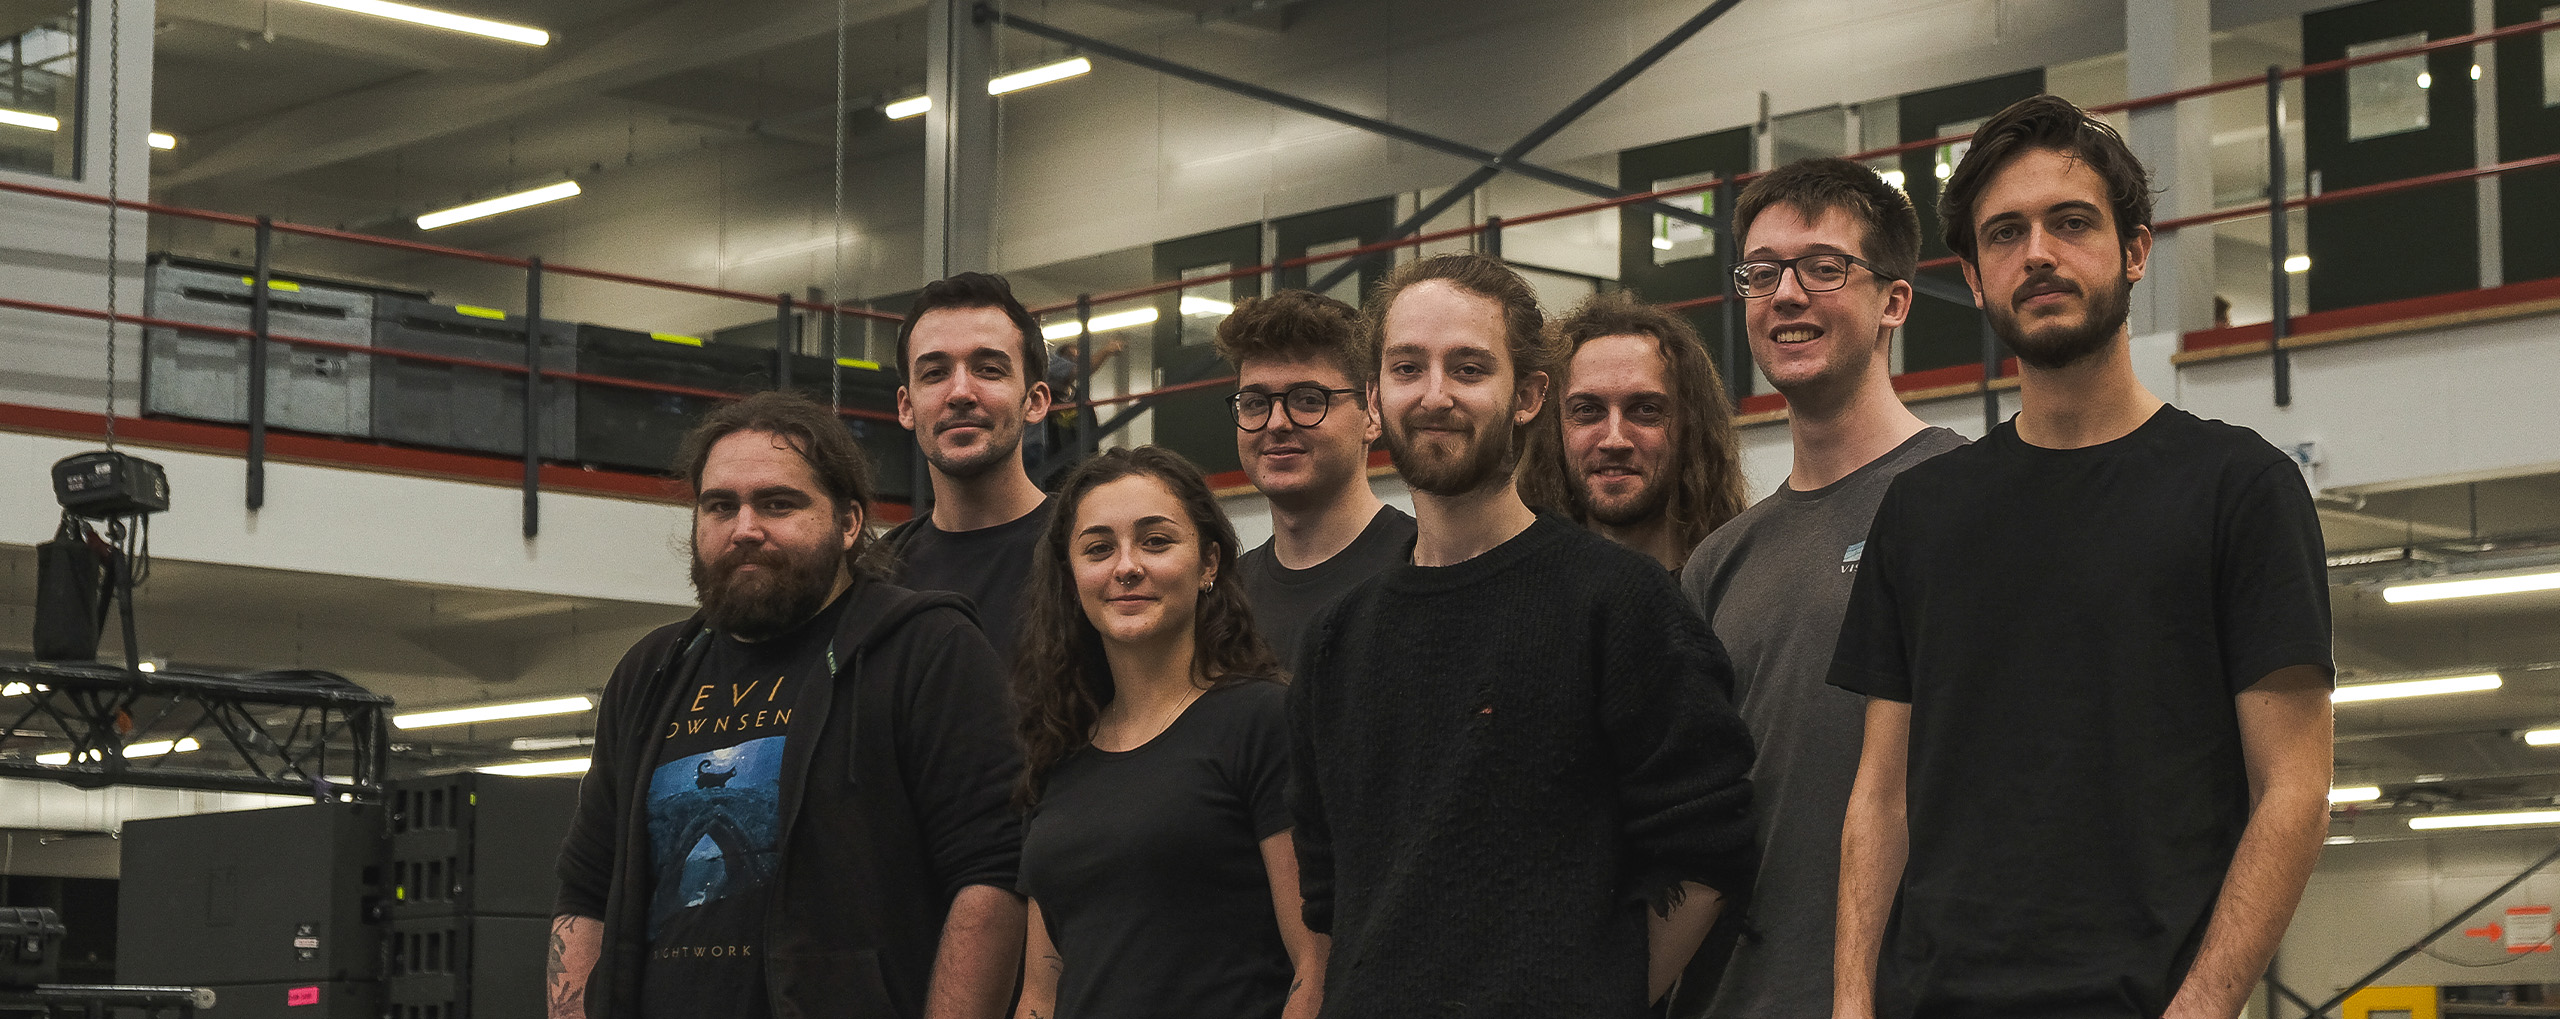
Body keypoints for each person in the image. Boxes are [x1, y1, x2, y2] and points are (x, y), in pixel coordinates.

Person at [1830, 95, 2335, 1019]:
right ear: (1975, 278)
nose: (2038, 255)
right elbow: (1882, 793)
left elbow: (2295, 790)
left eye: (2071, 223)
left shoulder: (2241, 488)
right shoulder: (1920, 512)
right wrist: (1852, 1004)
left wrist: (2201, 1007)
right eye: (2005, 234)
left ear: (2134, 250)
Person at [1285, 252, 1758, 1018]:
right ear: (1373, 397)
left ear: (1529, 393)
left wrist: (1591, 997)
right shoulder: (1334, 641)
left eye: (1469, 367)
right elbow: (1331, 894)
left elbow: (1710, 849)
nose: (1435, 394)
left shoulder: (1618, 602)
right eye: (1409, 367)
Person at [550, 390, 1025, 1019]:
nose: (745, 529)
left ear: (849, 522)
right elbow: (585, 889)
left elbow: (992, 874)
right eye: (721, 506)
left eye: (778, 503)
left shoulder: (927, 650)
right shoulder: (653, 671)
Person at [1670, 157, 1965, 1019]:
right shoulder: (1719, 564)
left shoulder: (1967, 498)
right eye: (1762, 273)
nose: (1786, 294)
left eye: (1824, 268)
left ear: (1895, 302)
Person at [1011, 445, 1326, 1019]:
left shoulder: (1261, 720)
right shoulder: (1059, 748)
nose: (1126, 566)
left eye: (1155, 541)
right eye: (1098, 548)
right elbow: (1041, 988)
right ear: (1071, 574)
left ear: (1208, 563)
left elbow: (1316, 965)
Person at [1213, 290, 1415, 671]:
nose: (1276, 423)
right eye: (1255, 403)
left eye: (1308, 400)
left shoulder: (1423, 569)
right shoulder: (1226, 597)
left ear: (1373, 414)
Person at [886, 272, 1058, 659]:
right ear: (906, 406)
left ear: (1035, 401)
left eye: (988, 370)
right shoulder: (877, 576)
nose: (961, 392)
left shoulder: (1086, 549)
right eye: (935, 374)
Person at [1519, 289, 1746, 571]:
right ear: (1554, 429)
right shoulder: (1527, 595)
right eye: (1587, 411)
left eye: (1645, 410)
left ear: (1690, 427)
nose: (1615, 440)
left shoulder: (1735, 587)